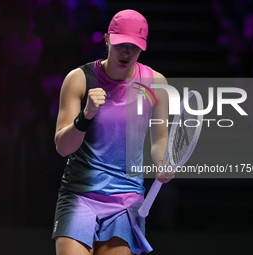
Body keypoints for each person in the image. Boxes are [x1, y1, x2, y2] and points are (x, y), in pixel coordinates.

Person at [52, 9, 175, 255]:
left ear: (143, 47)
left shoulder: (156, 84)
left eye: (134, 46)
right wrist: (85, 117)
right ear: (107, 39)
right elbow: (63, 147)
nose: (127, 52)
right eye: (121, 45)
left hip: (126, 200)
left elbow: (159, 138)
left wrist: (162, 161)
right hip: (80, 194)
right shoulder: (79, 79)